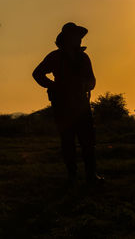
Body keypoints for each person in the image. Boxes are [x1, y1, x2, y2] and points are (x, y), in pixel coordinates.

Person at [33, 22, 104, 186]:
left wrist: (86, 86)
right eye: (75, 36)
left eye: (79, 36)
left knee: (88, 141)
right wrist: (53, 86)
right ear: (67, 38)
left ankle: (90, 175)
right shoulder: (55, 57)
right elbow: (37, 74)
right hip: (63, 105)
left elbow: (92, 80)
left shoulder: (84, 57)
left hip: (81, 104)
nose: (78, 39)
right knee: (68, 141)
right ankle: (72, 176)